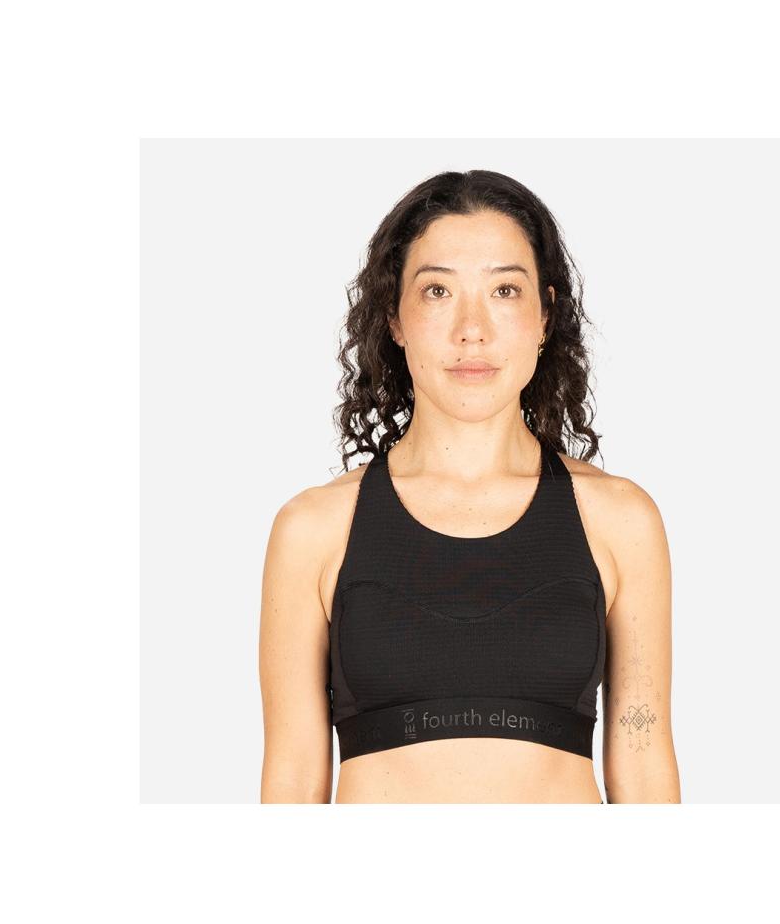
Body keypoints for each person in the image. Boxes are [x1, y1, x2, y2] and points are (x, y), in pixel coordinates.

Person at [259, 169, 679, 804]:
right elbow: (291, 780)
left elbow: (645, 767)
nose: (471, 329)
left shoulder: (620, 520)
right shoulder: (313, 530)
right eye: (437, 291)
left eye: (505, 290)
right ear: (394, 318)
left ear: (545, 315)